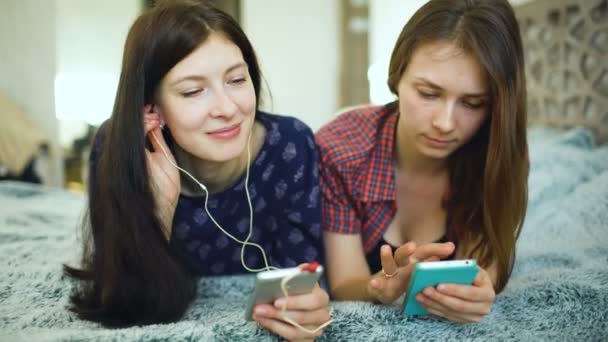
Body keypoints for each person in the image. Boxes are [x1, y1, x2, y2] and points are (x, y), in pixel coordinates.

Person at [64, 0, 330, 339]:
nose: (227, 108)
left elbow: (308, 277)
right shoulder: (116, 146)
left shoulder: (290, 145)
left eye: (236, 79)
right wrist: (157, 211)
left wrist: (310, 307)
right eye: (193, 91)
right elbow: (124, 307)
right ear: (151, 106)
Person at [316, 0, 528, 323]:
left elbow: (484, 270)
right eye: (429, 94)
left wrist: (478, 291)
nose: (445, 122)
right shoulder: (339, 151)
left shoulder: (499, 155)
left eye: (473, 104)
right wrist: (378, 289)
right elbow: (345, 282)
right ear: (397, 76)